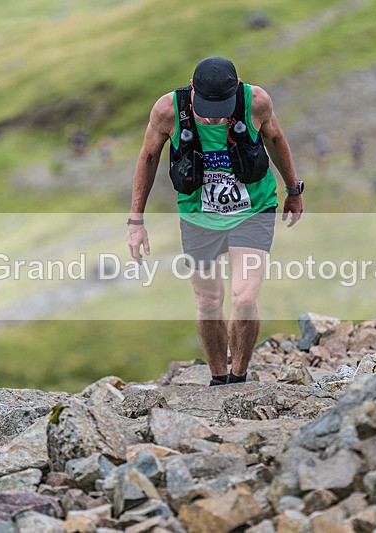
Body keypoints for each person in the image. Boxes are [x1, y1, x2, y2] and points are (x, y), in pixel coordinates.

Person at [127, 56, 303, 386]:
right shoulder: (168, 111)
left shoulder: (257, 102)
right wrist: (135, 221)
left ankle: (239, 377)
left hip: (253, 209)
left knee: (244, 297)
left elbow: (276, 139)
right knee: (208, 301)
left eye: (221, 106)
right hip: (198, 215)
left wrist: (293, 189)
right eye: (206, 106)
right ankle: (218, 379)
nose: (212, 115)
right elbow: (148, 157)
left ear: (236, 90)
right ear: (192, 90)